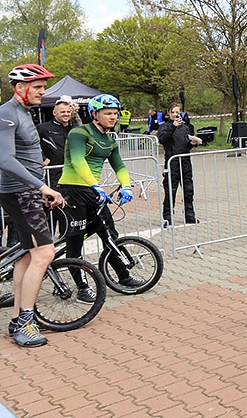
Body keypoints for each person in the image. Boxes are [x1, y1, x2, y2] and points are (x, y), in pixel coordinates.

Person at [0, 64, 66, 347]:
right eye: (38, 87)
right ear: (20, 88)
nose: (43, 92)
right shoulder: (7, 113)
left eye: (43, 87)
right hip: (20, 193)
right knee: (44, 254)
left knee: (28, 257)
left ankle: (18, 318)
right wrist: (42, 186)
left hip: (27, 192)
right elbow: (5, 160)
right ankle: (25, 322)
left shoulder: (24, 112)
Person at [57, 94, 143, 301]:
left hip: (92, 192)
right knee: (75, 241)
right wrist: (95, 184)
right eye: (108, 114)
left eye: (115, 113)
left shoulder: (109, 140)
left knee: (109, 234)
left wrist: (127, 186)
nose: (113, 117)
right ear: (95, 114)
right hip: (72, 190)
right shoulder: (79, 133)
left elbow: (119, 166)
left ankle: (123, 276)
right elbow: (78, 160)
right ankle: (82, 287)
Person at [157, 103, 200, 227]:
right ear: (169, 114)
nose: (176, 114)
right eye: (174, 112)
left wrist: (192, 143)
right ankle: (168, 217)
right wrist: (173, 127)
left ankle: (189, 215)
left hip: (185, 161)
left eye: (178, 112)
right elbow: (163, 140)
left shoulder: (185, 127)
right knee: (171, 190)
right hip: (172, 162)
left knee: (188, 190)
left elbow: (186, 144)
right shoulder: (164, 126)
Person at [37, 95, 75, 190]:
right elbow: (30, 144)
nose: (66, 114)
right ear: (54, 112)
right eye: (62, 112)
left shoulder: (76, 129)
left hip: (74, 172)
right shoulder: (43, 128)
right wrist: (42, 158)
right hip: (54, 173)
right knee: (53, 201)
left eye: (68, 112)